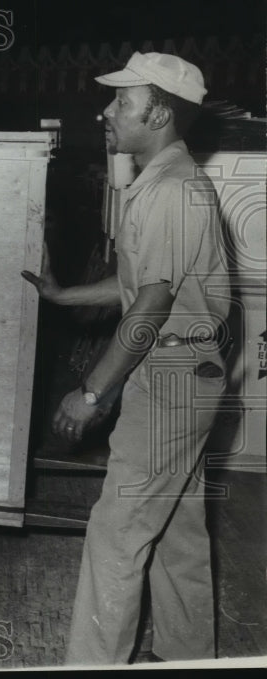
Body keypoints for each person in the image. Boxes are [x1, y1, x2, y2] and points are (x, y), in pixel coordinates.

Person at [22, 52, 229, 665]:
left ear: (158, 112)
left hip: (169, 376)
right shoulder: (169, 180)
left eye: (121, 102)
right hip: (190, 374)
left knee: (116, 535)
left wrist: (92, 392)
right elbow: (137, 286)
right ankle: (188, 656)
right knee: (177, 533)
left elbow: (152, 306)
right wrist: (64, 294)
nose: (106, 111)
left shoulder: (170, 190)